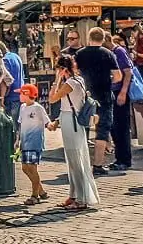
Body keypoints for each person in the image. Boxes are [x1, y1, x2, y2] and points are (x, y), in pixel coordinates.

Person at [47, 55, 97, 211]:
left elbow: (52, 99)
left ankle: (81, 198)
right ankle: (74, 194)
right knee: (72, 160)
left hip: (72, 122)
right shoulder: (79, 80)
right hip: (70, 119)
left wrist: (57, 80)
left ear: (63, 69)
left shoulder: (70, 83)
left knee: (76, 159)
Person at [71, 29, 119, 175]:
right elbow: (118, 76)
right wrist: (108, 80)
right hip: (104, 95)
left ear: (89, 37)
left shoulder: (80, 54)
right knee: (102, 129)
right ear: (103, 38)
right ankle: (98, 165)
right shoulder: (108, 54)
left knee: (82, 127)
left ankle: (81, 163)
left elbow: (75, 71)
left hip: (85, 95)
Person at [15, 83, 50, 205]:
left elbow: (47, 122)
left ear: (27, 94)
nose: (19, 96)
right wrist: (18, 141)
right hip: (25, 142)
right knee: (25, 168)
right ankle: (41, 191)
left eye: (21, 93)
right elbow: (21, 124)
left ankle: (35, 195)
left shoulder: (38, 108)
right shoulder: (22, 107)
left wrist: (52, 125)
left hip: (35, 142)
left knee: (32, 168)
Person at [107, 30, 135, 172]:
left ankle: (125, 159)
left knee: (122, 127)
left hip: (120, 92)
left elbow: (128, 72)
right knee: (113, 127)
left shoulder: (119, 52)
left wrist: (123, 92)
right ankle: (119, 159)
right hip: (111, 92)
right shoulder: (110, 52)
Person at [0, 36, 27, 116]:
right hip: (19, 95)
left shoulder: (4, 60)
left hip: (10, 97)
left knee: (11, 125)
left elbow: (5, 80)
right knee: (18, 124)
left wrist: (2, 98)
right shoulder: (16, 56)